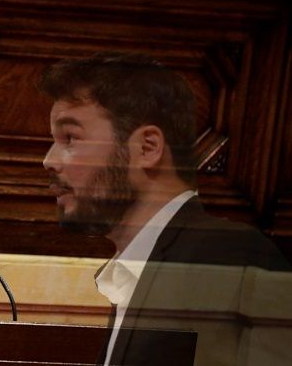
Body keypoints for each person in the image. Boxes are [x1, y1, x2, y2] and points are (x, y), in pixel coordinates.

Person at [39, 52, 292, 365]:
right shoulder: (146, 263)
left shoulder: (231, 259)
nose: (49, 161)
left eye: (70, 138)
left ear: (147, 148)